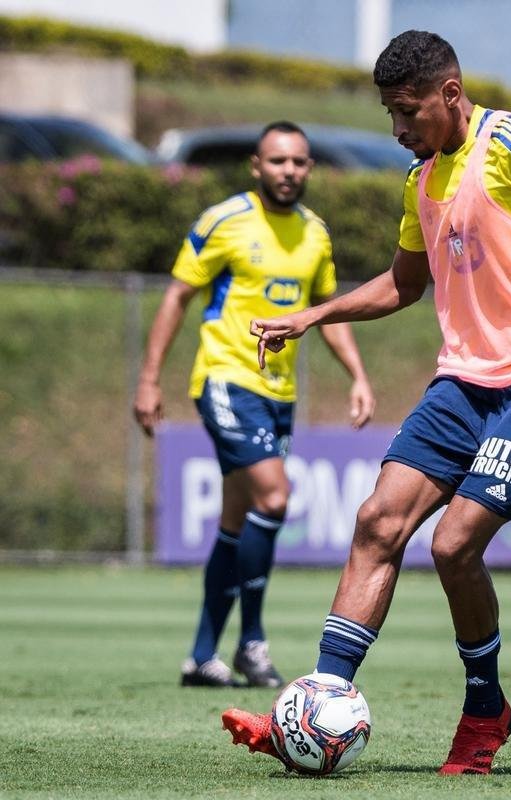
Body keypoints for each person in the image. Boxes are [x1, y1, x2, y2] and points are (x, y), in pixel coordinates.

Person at [222, 30, 511, 771]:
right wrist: (314, 315)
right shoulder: (418, 180)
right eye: (390, 112)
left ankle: (486, 708)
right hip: (464, 381)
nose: (398, 128)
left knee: (453, 544)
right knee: (377, 520)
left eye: (409, 111)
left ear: (451, 94)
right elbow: (404, 285)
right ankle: (316, 707)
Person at [133, 120, 375, 688]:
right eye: (277, 161)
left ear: (309, 168)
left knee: (235, 520)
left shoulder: (315, 233)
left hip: (278, 394)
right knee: (275, 494)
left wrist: (358, 375)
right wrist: (148, 379)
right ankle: (252, 643)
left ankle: (200, 657)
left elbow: (326, 311)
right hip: (225, 378)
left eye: (298, 162)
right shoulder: (224, 221)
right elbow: (177, 298)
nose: (288, 171)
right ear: (256, 166)